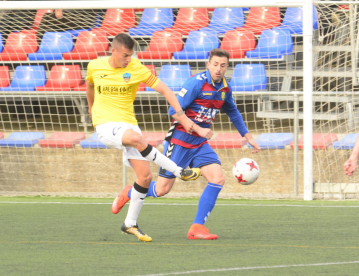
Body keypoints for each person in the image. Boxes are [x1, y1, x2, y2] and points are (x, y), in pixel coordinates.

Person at [112, 48, 261, 240]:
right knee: (162, 189)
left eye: (223, 65)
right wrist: (198, 129)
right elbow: (172, 111)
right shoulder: (195, 83)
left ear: (227, 67)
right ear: (208, 64)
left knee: (217, 179)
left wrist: (248, 137)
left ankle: (196, 228)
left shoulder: (225, 88)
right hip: (179, 141)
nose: (218, 69)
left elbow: (233, 112)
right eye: (215, 64)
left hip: (199, 144)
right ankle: (130, 192)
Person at [86, 33, 209, 242]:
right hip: (106, 125)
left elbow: (166, 90)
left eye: (130, 55)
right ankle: (180, 171)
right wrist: (91, 110)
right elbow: (89, 85)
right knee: (137, 139)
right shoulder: (95, 66)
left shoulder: (136, 68)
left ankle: (129, 223)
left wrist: (181, 116)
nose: (128, 59)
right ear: (113, 51)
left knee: (145, 177)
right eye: (125, 55)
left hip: (128, 124)